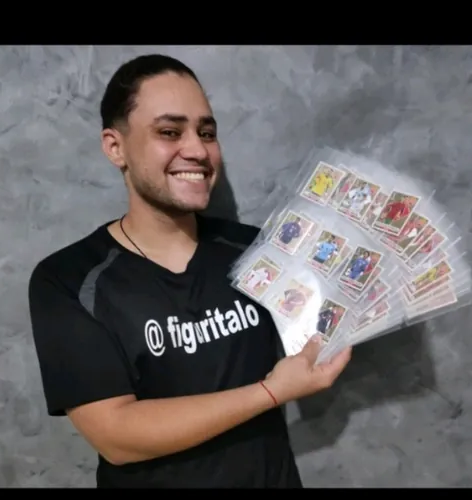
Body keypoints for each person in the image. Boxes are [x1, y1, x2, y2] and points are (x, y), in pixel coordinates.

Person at [28, 53, 352, 488]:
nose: (198, 150)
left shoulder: (260, 250)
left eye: (207, 132)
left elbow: (330, 314)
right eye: (169, 132)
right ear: (115, 147)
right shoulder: (68, 280)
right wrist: (272, 392)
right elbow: (116, 435)